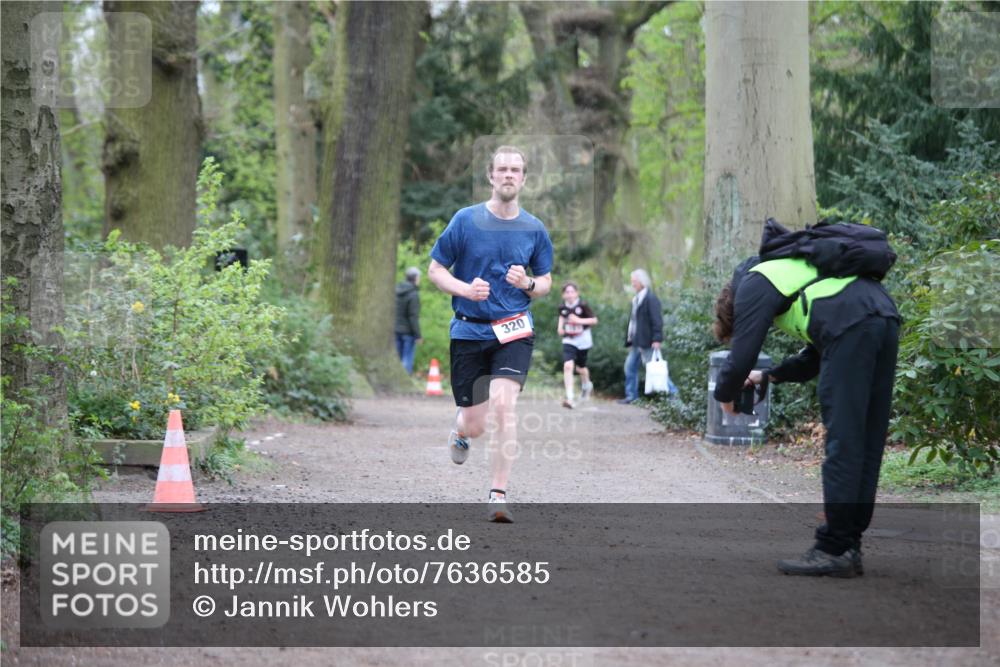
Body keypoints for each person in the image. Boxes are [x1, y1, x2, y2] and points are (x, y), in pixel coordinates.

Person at [712, 254, 899, 577]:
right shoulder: (801, 278)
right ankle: (849, 544)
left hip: (854, 324)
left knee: (843, 441)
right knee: (866, 442)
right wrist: (768, 375)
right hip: (884, 315)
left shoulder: (754, 283)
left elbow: (741, 357)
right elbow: (815, 356)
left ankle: (833, 549)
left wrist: (725, 397)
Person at [427, 145, 554, 523]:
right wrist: (465, 289)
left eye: (515, 170)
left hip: (513, 329)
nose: (508, 175)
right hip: (469, 329)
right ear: (490, 176)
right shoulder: (466, 221)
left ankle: (498, 495)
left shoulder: (534, 228)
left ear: (524, 179)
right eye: (502, 169)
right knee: (476, 424)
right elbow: (436, 269)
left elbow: (545, 281)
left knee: (504, 405)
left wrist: (527, 283)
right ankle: (461, 429)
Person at [619, 269, 663, 404]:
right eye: (632, 281)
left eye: (634, 281)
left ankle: (674, 397)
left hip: (647, 342)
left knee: (656, 370)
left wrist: (657, 339)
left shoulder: (650, 298)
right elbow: (634, 322)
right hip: (636, 342)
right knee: (630, 367)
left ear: (642, 282)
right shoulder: (636, 299)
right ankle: (631, 396)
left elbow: (657, 320)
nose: (632, 284)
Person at [557, 282, 598, 409]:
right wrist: (560, 327)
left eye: (572, 292)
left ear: (577, 293)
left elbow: (594, 320)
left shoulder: (583, 305)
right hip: (569, 340)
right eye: (567, 292)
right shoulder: (562, 307)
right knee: (568, 366)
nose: (569, 294)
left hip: (583, 340)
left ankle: (586, 385)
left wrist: (579, 320)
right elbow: (562, 316)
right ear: (563, 295)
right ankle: (570, 397)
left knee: (581, 368)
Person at [394, 267, 422, 375]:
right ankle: (405, 378)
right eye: (419, 277)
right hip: (408, 332)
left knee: (397, 358)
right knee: (407, 359)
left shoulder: (396, 291)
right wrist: (418, 335)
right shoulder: (413, 294)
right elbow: (413, 317)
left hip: (396, 330)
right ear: (415, 278)